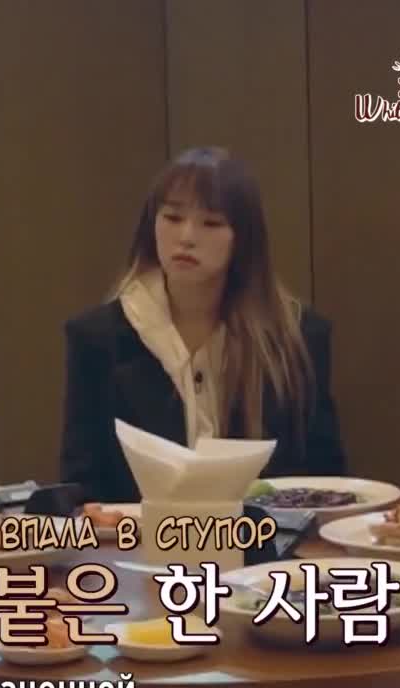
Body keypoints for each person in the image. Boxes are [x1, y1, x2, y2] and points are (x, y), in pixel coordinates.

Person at [58, 147, 347, 503]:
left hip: (267, 536)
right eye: (172, 217)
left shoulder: (297, 337)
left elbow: (325, 480)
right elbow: (82, 486)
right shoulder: (96, 338)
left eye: (211, 223)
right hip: (137, 536)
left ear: (243, 238)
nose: (187, 237)